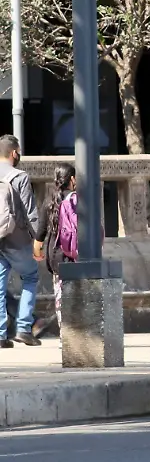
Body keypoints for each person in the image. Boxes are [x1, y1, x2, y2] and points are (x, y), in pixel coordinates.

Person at [0, 136, 42, 348]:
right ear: (14, 153)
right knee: (31, 276)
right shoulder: (20, 176)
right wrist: (38, 239)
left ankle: (0, 334)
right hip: (16, 238)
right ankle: (24, 328)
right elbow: (30, 212)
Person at [38, 164, 77, 329]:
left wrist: (37, 252)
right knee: (79, 296)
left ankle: (65, 336)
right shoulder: (78, 200)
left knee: (61, 296)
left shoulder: (49, 202)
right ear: (73, 179)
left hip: (56, 257)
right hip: (77, 255)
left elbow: (40, 234)